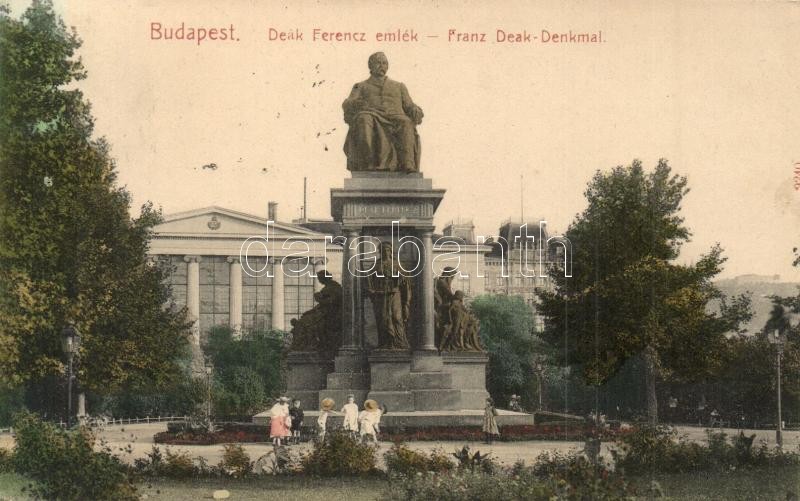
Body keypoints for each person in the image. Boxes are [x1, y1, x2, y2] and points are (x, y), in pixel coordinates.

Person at [342, 52, 424, 172]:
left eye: (384, 63)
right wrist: (355, 104)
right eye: (378, 63)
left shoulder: (399, 86)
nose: (382, 66)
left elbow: (409, 105)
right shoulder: (360, 86)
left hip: (395, 116)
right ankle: (368, 163)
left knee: (406, 122)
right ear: (370, 66)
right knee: (363, 119)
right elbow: (348, 103)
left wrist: (416, 111)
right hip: (371, 114)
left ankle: (407, 163)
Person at [367, 242, 412, 349]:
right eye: (383, 250)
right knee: (383, 318)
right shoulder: (376, 265)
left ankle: (399, 343)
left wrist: (400, 278)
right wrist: (372, 290)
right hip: (381, 295)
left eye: (387, 250)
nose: (386, 252)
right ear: (380, 252)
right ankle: (384, 343)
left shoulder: (396, 264)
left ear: (391, 252)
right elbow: (368, 280)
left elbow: (405, 281)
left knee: (397, 317)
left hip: (395, 293)